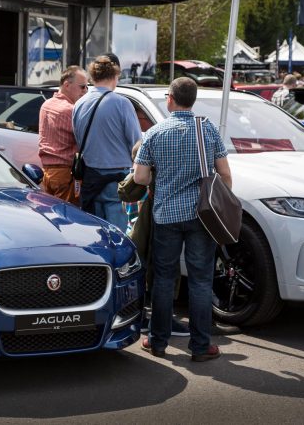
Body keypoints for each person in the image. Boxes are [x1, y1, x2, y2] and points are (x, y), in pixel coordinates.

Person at [133, 77, 232, 362]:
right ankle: (201, 346)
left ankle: (157, 341)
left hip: (165, 214)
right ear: (193, 99)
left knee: (163, 279)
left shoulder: (155, 132)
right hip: (202, 215)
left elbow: (140, 177)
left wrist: (161, 180)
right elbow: (225, 174)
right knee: (201, 281)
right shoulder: (208, 129)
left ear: (170, 99)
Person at [118, 140, 189, 337]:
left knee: (141, 277)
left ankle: (140, 316)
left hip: (133, 232)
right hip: (142, 234)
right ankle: (157, 319)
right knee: (158, 273)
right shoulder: (145, 185)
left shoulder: (130, 181)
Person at [72, 53, 142, 232]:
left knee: (96, 234)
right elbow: (136, 144)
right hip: (117, 179)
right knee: (117, 236)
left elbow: (79, 139)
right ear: (115, 76)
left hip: (90, 178)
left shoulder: (79, 103)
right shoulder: (121, 103)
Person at [38, 65, 88, 205]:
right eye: (82, 87)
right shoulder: (71, 110)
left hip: (47, 173)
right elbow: (86, 140)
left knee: (51, 217)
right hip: (65, 174)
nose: (85, 91)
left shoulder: (46, 105)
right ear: (67, 84)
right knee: (67, 218)